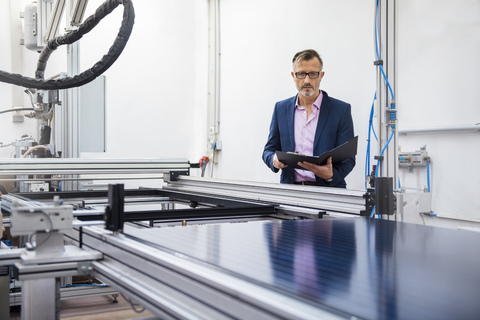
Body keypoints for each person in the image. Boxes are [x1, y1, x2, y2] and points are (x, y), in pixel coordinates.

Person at [262, 49, 355, 188]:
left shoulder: (341, 110)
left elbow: (349, 159)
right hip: (290, 191)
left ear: (321, 75)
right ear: (293, 76)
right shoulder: (280, 109)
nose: (307, 80)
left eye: (312, 74)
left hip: (329, 192)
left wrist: (331, 175)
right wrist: (273, 159)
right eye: (301, 74)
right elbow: (268, 150)